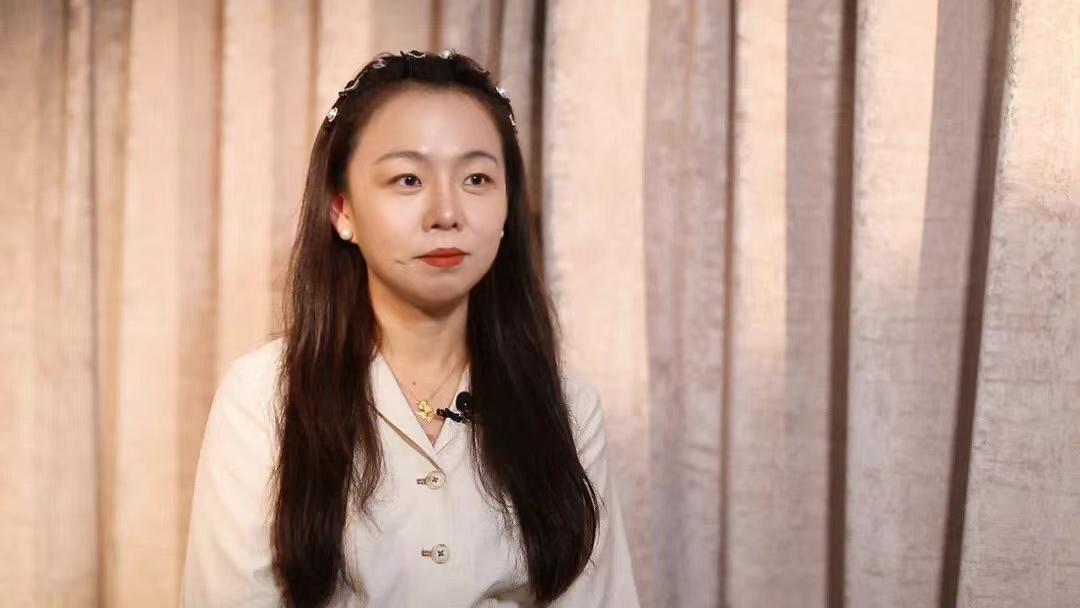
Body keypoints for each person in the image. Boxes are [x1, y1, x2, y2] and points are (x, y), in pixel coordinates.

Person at [180, 50, 639, 607]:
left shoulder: (567, 407)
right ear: (342, 210)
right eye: (407, 179)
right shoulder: (264, 397)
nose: (446, 213)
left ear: (507, 210)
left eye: (476, 178)